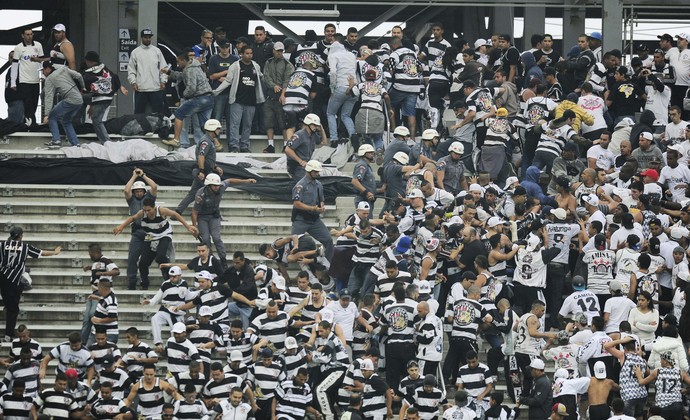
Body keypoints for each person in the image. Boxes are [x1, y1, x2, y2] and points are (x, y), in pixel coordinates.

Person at [112, 197, 199, 289]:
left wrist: (188, 226)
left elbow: (175, 214)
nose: (147, 212)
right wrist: (121, 226)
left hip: (164, 235)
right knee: (143, 263)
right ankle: (144, 283)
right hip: (150, 236)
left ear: (154, 207)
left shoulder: (161, 211)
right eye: (145, 210)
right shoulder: (142, 213)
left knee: (160, 257)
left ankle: (168, 279)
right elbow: (132, 218)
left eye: (149, 210)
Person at [0, 226, 61, 340]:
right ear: (20, 236)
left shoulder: (2, 245)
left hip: (2, 278)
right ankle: (8, 335)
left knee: (9, 304)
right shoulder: (25, 246)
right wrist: (55, 252)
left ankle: (7, 305)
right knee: (13, 309)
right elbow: (42, 253)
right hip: (15, 280)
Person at [191, 173, 256, 270]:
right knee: (205, 239)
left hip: (214, 216)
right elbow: (194, 212)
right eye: (214, 186)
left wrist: (246, 180)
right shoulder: (201, 194)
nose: (217, 188)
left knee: (216, 238)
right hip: (202, 217)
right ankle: (210, 260)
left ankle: (223, 260)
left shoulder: (221, 187)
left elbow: (229, 181)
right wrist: (194, 227)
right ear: (209, 185)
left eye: (218, 185)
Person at [212, 46, 265, 153]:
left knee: (247, 125)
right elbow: (228, 81)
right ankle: (234, 146)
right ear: (241, 54)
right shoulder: (235, 66)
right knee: (234, 124)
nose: (249, 55)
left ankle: (245, 146)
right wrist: (216, 91)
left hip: (251, 101)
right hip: (237, 100)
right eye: (247, 53)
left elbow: (261, 78)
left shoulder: (256, 66)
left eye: (251, 53)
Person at [162, 50, 214, 148]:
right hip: (209, 98)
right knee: (204, 125)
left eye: (178, 62)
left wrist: (184, 96)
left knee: (178, 114)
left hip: (199, 98)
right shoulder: (194, 67)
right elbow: (181, 76)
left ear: (183, 60)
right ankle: (216, 144)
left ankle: (176, 140)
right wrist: (169, 72)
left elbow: (191, 88)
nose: (177, 64)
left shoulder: (190, 70)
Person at [291, 160, 334, 261]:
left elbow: (321, 199)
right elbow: (296, 203)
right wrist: (312, 208)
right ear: (309, 171)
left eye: (318, 172)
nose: (317, 173)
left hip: (314, 220)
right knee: (294, 246)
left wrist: (321, 207)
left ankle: (328, 264)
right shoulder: (300, 185)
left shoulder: (319, 185)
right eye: (315, 171)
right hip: (301, 219)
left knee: (328, 240)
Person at [81, 50, 126, 144]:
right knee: (80, 101)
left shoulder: (89, 72)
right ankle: (80, 123)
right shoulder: (105, 68)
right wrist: (120, 86)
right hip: (107, 98)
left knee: (96, 120)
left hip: (99, 98)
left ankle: (107, 142)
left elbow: (85, 81)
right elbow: (116, 77)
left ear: (88, 61)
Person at [41, 60, 85, 148]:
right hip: (79, 100)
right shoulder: (64, 69)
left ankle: (56, 140)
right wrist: (83, 86)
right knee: (66, 121)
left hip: (70, 99)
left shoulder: (49, 79)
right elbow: (79, 75)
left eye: (43, 70)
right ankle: (75, 143)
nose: (43, 72)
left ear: (48, 69)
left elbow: (48, 97)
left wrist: (46, 114)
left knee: (52, 117)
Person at [127, 28, 168, 114]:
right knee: (139, 114)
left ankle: (159, 128)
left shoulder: (157, 51)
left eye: (149, 37)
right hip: (141, 88)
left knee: (159, 114)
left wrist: (163, 81)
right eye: (145, 37)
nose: (148, 39)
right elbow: (131, 69)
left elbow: (163, 67)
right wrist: (133, 82)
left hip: (156, 87)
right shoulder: (135, 52)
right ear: (141, 38)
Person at [263, 42, 294, 153]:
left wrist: (282, 94)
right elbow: (266, 77)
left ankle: (285, 145)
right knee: (268, 122)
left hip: (282, 96)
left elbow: (287, 80)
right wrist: (273, 85)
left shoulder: (288, 64)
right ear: (273, 50)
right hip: (270, 95)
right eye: (277, 50)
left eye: (281, 51)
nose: (279, 53)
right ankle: (270, 145)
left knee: (283, 123)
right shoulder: (269, 62)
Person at [11, 26, 44, 125]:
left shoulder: (38, 45)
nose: (30, 36)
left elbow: (42, 62)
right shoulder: (18, 48)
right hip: (24, 80)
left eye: (31, 34)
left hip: (35, 80)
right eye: (27, 34)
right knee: (28, 102)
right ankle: (32, 123)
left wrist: (42, 75)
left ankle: (28, 121)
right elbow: (15, 65)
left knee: (34, 103)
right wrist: (13, 82)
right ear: (23, 36)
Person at [284, 114, 328, 179]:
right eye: (314, 125)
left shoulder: (313, 135)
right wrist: (300, 161)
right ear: (308, 123)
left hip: (306, 165)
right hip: (296, 166)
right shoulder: (299, 135)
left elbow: (324, 142)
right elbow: (287, 149)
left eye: (317, 125)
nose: (316, 127)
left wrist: (322, 129)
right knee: (306, 181)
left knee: (318, 180)